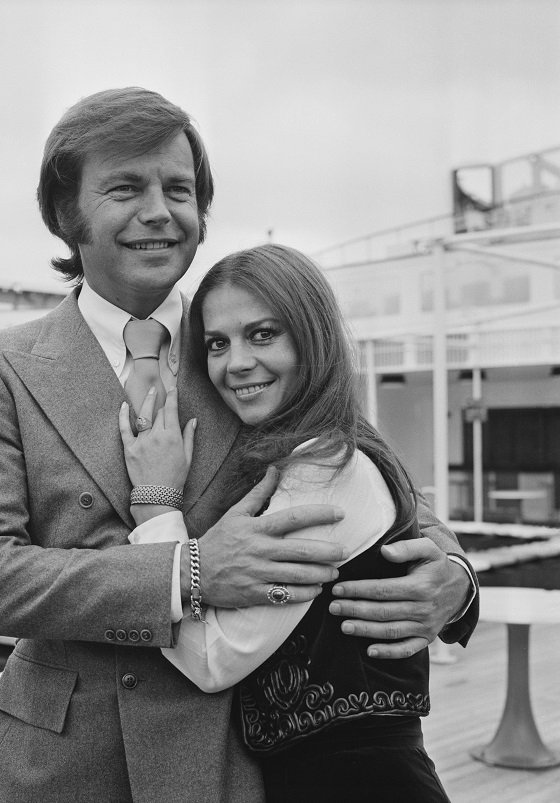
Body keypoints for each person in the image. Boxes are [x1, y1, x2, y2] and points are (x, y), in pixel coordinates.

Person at [0, 87, 477, 802]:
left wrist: (454, 577)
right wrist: (186, 572)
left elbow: (366, 470)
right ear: (68, 214)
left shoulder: (251, 353)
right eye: (126, 187)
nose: (159, 210)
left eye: (179, 189)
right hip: (53, 766)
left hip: (226, 765)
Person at [121, 244, 461, 801]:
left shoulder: (323, 469)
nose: (235, 364)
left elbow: (213, 659)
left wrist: (157, 511)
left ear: (312, 337)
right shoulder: (319, 449)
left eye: (262, 334)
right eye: (217, 343)